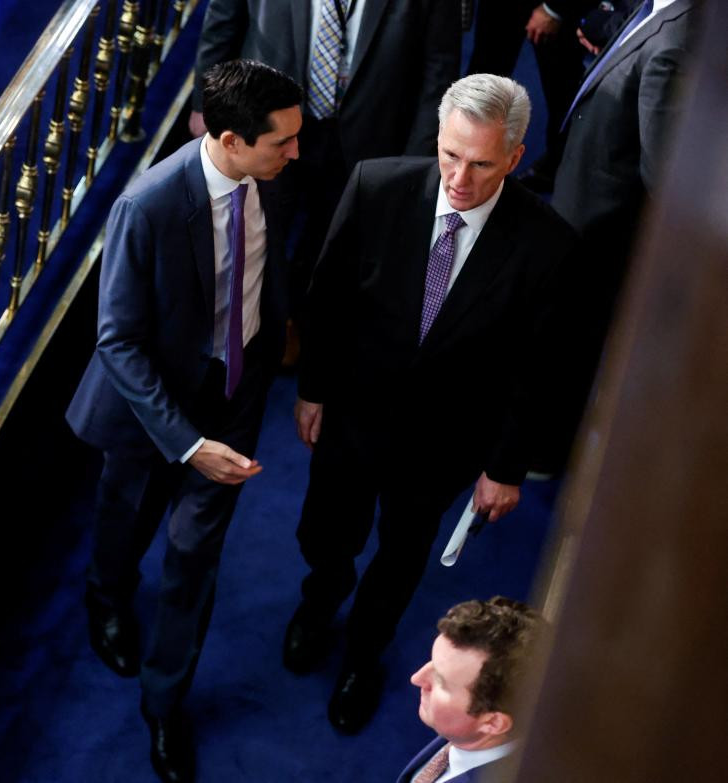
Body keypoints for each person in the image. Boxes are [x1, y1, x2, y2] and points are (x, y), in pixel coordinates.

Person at [284, 73, 577, 734]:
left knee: (399, 557)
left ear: (514, 157)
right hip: (351, 416)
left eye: (479, 162)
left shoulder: (547, 245)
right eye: (450, 154)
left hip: (446, 440)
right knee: (328, 530)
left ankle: (363, 653)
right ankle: (318, 600)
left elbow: (540, 370)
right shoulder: (376, 186)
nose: (460, 178)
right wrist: (313, 389)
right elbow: (327, 299)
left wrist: (504, 465)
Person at [66, 59, 301, 782]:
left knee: (194, 555)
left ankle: (163, 704)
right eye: (280, 144)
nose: (297, 153)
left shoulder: (281, 182)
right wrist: (187, 443)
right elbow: (119, 341)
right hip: (150, 406)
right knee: (127, 518)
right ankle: (105, 595)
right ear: (230, 140)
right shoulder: (149, 205)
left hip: (234, 390)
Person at [190, 0, 461, 358]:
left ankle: (298, 320)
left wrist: (415, 159)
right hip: (266, 125)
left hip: (370, 130)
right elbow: (224, 19)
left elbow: (439, 70)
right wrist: (205, 106)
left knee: (332, 237)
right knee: (254, 227)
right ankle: (250, 324)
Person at [543, 0, 698, 470]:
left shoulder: (677, 35)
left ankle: (546, 451)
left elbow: (659, 171)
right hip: (582, 195)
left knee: (572, 337)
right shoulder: (657, 9)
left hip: (601, 223)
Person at [399, 597, 547, 782]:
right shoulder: (467, 734)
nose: (416, 678)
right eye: (432, 662)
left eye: (441, 681)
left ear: (493, 723)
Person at [467, 0, 594, 191]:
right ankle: (466, 151)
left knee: (563, 93)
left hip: (558, 15)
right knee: (483, 79)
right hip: (499, 9)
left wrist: (556, 9)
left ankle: (560, 171)